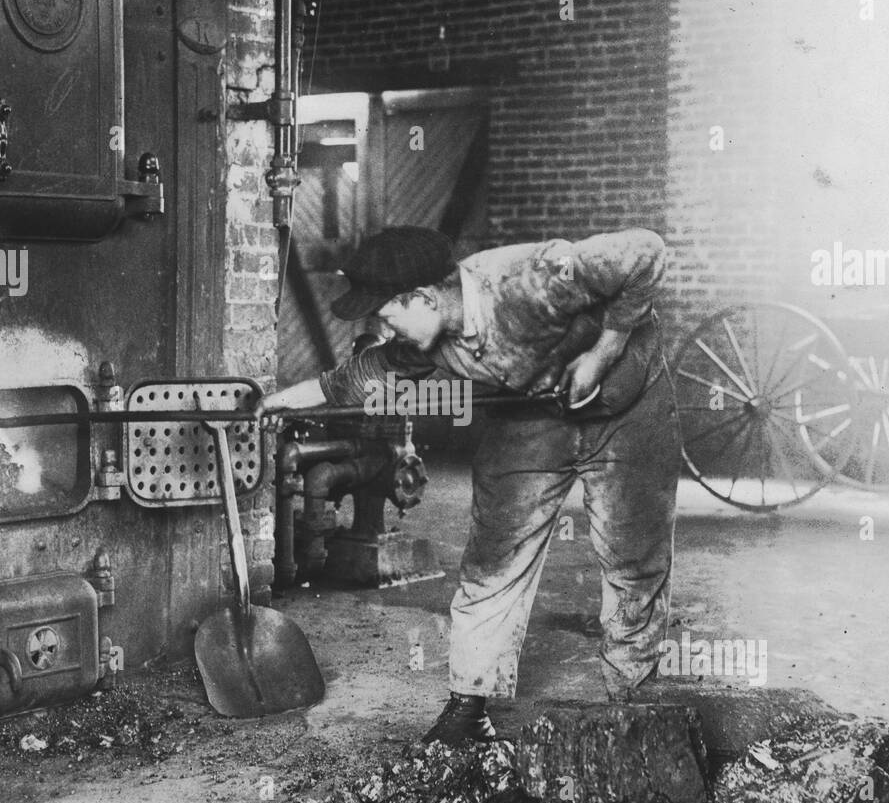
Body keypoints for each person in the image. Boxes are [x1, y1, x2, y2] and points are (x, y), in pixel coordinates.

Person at [257, 226, 681, 745]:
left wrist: (605, 350)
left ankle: (635, 707)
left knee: (632, 560)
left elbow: (645, 251)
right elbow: (350, 381)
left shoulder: (531, 279)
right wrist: (275, 404)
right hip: (535, 413)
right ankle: (468, 707)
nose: (385, 329)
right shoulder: (426, 341)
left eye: (387, 315)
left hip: (627, 409)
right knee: (493, 557)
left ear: (423, 298)